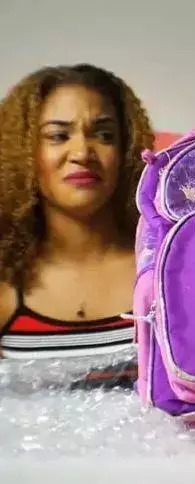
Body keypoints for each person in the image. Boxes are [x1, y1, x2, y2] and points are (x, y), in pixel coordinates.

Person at [0, 64, 154, 372]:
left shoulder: (164, 272)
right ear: (24, 154)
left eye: (105, 135)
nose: (82, 153)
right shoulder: (5, 287)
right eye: (58, 136)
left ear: (125, 151)